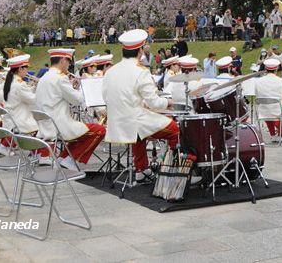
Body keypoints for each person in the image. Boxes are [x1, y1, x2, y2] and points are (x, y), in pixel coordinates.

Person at [103, 29, 178, 183]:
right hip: (135, 122)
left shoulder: (111, 71)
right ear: (140, 51)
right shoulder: (141, 71)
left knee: (140, 133)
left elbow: (108, 97)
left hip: (117, 123)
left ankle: (141, 169)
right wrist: (169, 102)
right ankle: (174, 170)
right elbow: (155, 103)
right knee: (176, 130)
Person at [35, 48, 106, 170]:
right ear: (63, 60)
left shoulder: (45, 77)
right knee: (99, 130)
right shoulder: (60, 78)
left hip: (47, 125)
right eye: (68, 61)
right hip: (59, 125)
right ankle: (70, 159)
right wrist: (82, 87)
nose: (69, 64)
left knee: (84, 132)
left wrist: (72, 87)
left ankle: (64, 158)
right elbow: (77, 100)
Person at [255, 58, 282, 145]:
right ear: (277, 68)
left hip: (262, 112)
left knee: (267, 109)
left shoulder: (258, 81)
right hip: (277, 111)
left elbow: (257, 96)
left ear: (266, 69)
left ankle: (273, 135)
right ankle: (281, 134)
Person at [3, 54, 39, 136]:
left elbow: (22, 94)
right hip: (21, 120)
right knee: (44, 125)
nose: (27, 71)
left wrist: (33, 87)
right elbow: (33, 100)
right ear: (20, 69)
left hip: (12, 119)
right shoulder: (20, 84)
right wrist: (41, 89)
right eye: (26, 68)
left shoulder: (11, 81)